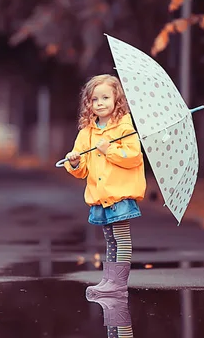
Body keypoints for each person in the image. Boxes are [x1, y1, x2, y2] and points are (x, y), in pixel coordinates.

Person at [64, 74, 146, 298]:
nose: (100, 103)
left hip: (119, 195)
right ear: (88, 103)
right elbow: (82, 170)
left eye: (105, 98)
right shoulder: (86, 132)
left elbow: (134, 157)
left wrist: (108, 149)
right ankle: (109, 280)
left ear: (116, 99)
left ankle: (119, 283)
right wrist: (74, 161)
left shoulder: (124, 126)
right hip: (100, 196)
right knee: (109, 239)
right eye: (94, 99)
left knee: (122, 238)